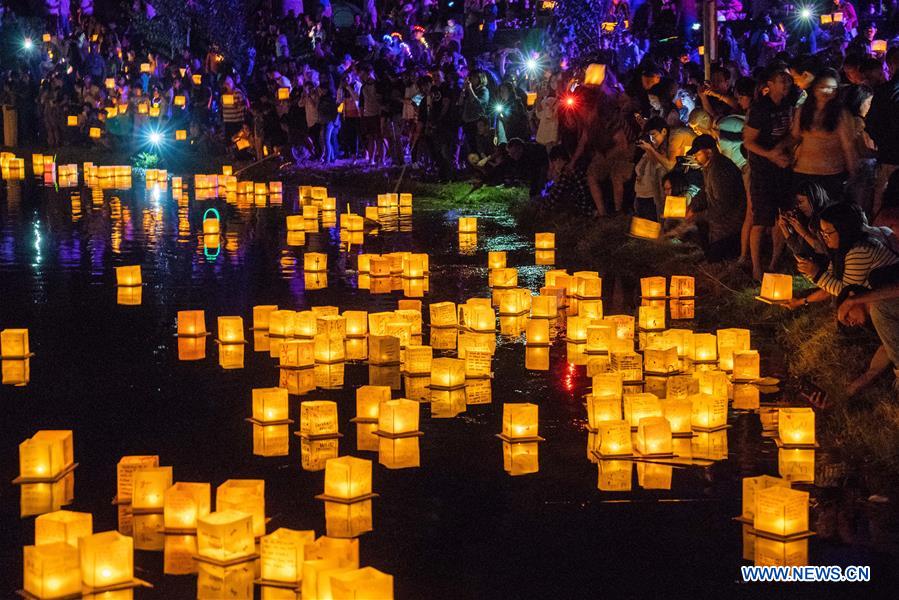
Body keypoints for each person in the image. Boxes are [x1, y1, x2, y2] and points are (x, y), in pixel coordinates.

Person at [792, 202, 899, 306]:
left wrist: (816, 274)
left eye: (828, 232)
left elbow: (846, 292)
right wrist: (810, 272)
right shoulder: (841, 249)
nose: (824, 237)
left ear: (843, 230)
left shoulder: (859, 251)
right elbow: (830, 283)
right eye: (822, 232)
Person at [744, 65, 795, 281]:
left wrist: (781, 150)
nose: (786, 85)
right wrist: (770, 155)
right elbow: (749, 142)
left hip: (782, 168)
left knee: (780, 218)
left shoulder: (789, 105)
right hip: (763, 171)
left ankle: (775, 262)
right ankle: (756, 267)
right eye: (781, 80)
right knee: (761, 219)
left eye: (788, 81)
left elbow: (793, 134)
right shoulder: (760, 109)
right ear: (770, 85)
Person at [790, 68, 858, 203]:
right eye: (823, 87)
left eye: (832, 88)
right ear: (814, 88)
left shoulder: (841, 114)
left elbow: (848, 146)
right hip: (804, 171)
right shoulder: (803, 110)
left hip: (830, 173)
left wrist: (853, 171)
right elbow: (795, 136)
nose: (827, 91)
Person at [684, 134, 746, 260]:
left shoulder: (720, 170)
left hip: (729, 228)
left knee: (714, 257)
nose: (695, 157)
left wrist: (697, 216)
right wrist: (693, 206)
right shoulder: (709, 167)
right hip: (719, 225)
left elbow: (722, 206)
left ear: (709, 152)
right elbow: (704, 191)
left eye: (698, 154)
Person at [837, 281, 899, 395]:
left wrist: (852, 300)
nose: (851, 323)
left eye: (847, 315)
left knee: (878, 309)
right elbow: (888, 347)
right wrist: (853, 387)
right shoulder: (878, 321)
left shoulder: (880, 280)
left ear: (851, 295)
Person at [865, 47, 899, 217]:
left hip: (890, 157)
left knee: (884, 208)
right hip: (890, 154)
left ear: (891, 66)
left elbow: (871, 124)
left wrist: (884, 143)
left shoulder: (885, 91)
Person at [778, 182, 833, 260]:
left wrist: (803, 232)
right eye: (797, 203)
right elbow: (798, 250)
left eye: (801, 201)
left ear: (814, 198)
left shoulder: (827, 219)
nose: (799, 206)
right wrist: (784, 228)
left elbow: (823, 250)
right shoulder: (806, 219)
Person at [633, 117, 668, 220]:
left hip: (651, 200)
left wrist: (649, 149)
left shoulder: (662, 153)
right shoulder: (648, 152)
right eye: (650, 136)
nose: (652, 139)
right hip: (641, 197)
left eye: (654, 135)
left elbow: (656, 164)